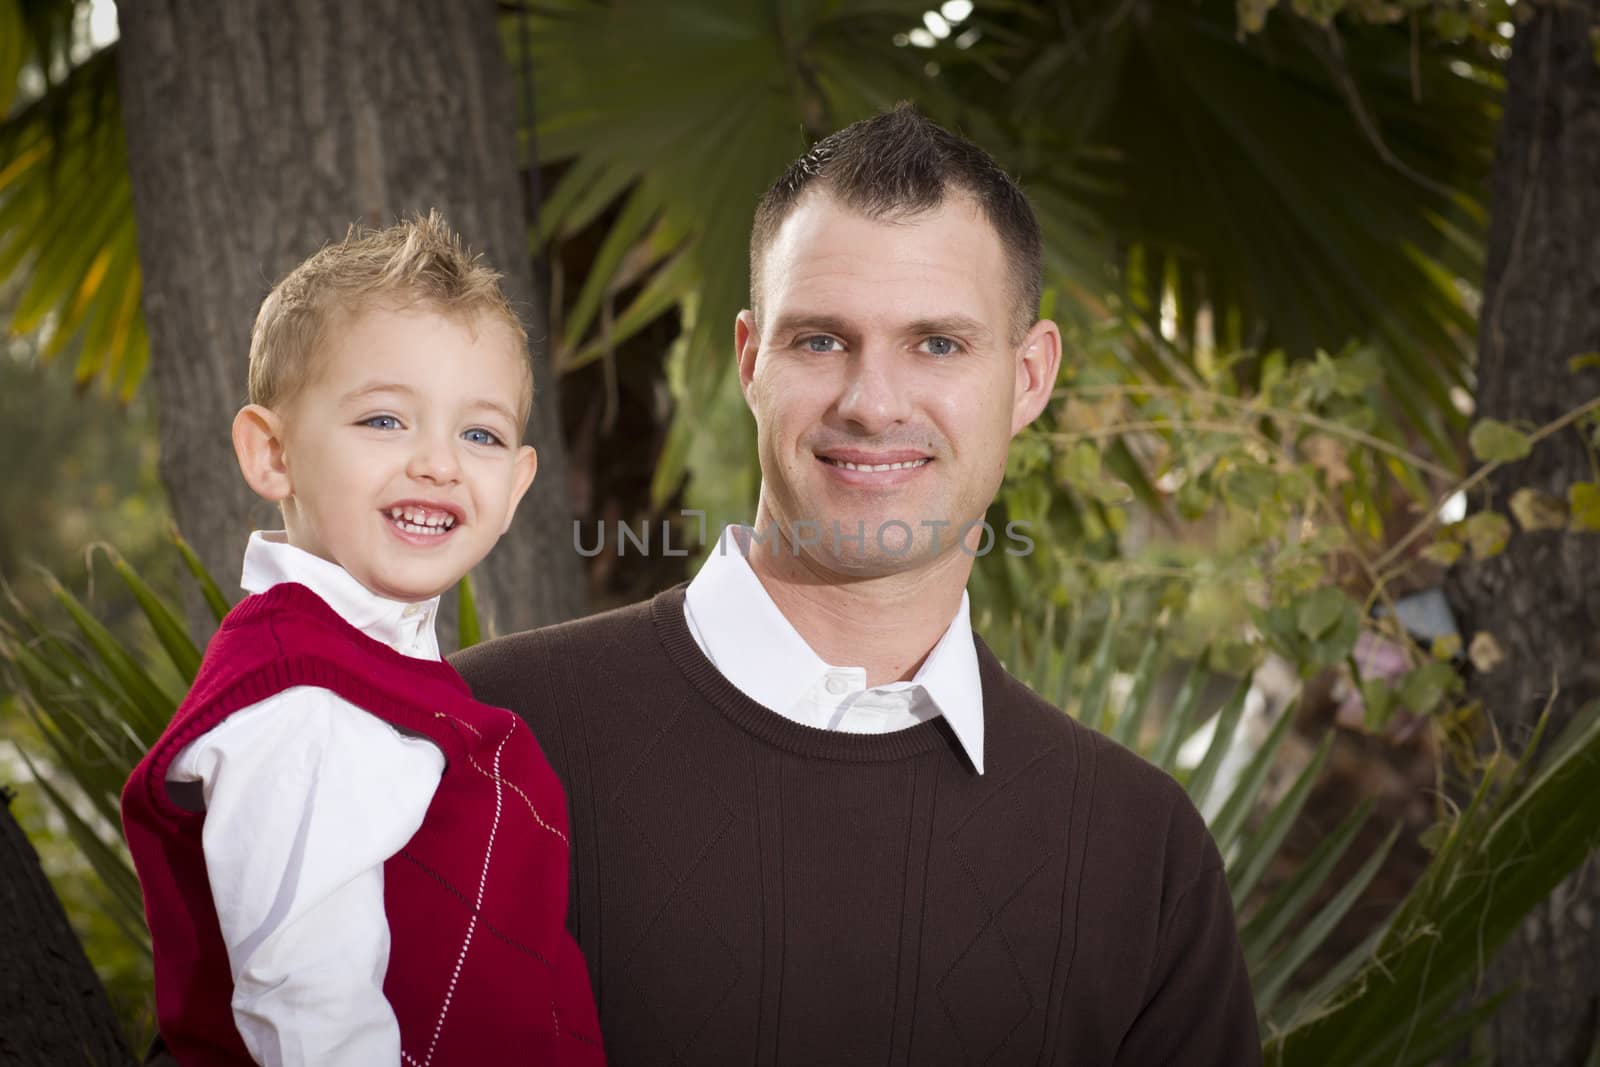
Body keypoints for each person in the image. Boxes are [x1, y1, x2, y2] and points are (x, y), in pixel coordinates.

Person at [455, 106, 1261, 1065]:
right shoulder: (485, 735)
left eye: (939, 344)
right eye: (822, 341)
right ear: (752, 360)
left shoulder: (1140, 850)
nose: (873, 402)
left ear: (1031, 375)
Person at [121, 213, 605, 1066]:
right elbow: (308, 1013)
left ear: (519, 483)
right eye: (385, 420)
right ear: (273, 454)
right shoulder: (302, 701)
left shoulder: (385, 674)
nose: (438, 462)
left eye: (481, 434)